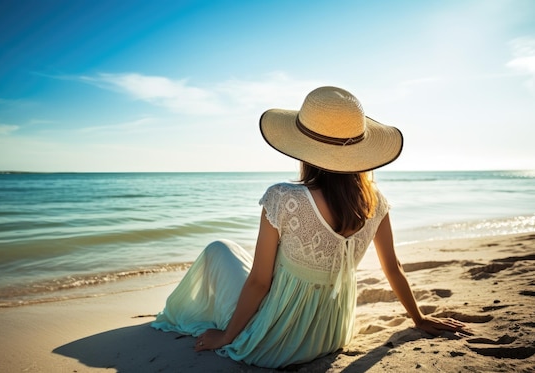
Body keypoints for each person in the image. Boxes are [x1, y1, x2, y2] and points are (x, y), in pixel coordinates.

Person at [151, 86, 466, 368]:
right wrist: (418, 317)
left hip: (276, 342)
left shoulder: (283, 198)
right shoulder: (376, 202)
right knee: (242, 258)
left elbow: (260, 283)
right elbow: (393, 267)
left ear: (304, 148)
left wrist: (227, 336)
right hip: (331, 334)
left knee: (219, 249)